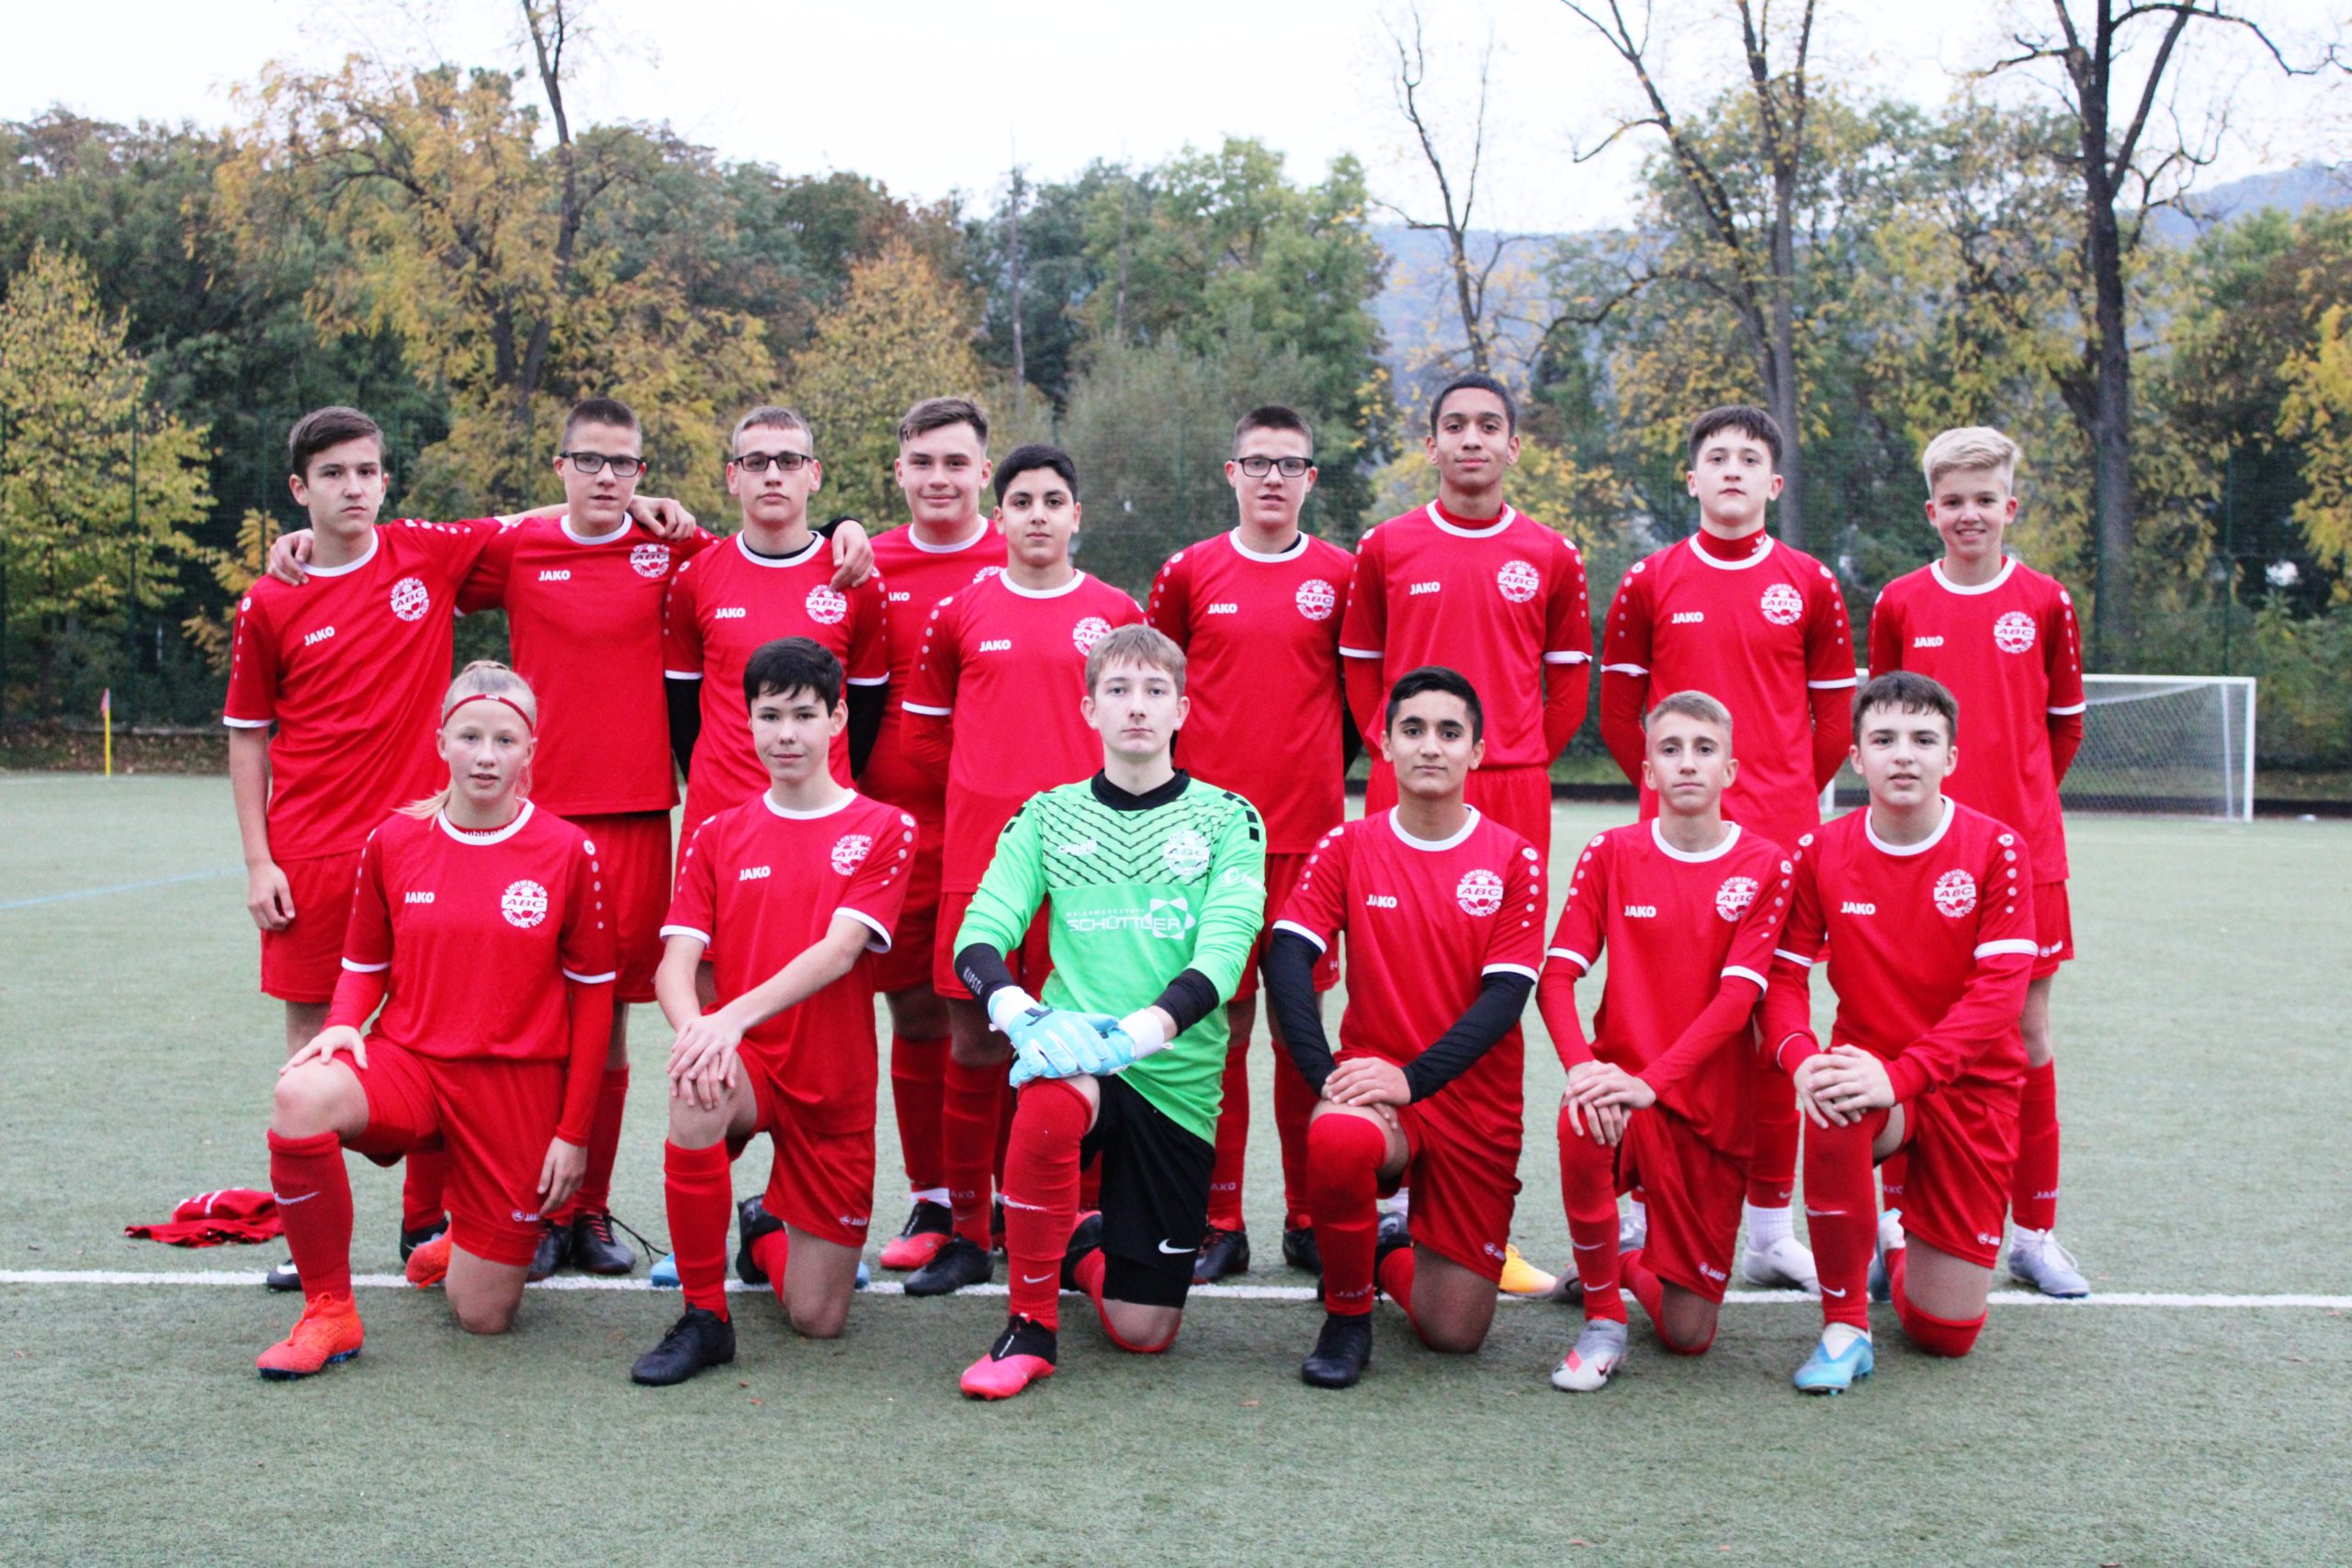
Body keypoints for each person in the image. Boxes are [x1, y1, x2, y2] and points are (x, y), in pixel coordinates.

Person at [262, 400, 873, 1280]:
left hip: (633, 817)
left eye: (621, 463)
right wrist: (307, 548)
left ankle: (584, 1209)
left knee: (607, 1019)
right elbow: (399, 553)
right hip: (526, 821)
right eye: (587, 459)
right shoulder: (518, 547)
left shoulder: (675, 550)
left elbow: (771, 548)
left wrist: (847, 525)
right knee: (476, 1011)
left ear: (642, 472)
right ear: (560, 467)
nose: (604, 476)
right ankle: (447, 1212)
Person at [254, 661, 616, 1377]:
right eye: (470, 736)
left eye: (505, 740)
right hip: (411, 1065)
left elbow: (594, 1001)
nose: (486, 755)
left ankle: (469, 1238)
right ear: (441, 740)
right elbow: (364, 963)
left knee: (483, 1316)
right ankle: (330, 1310)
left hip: (513, 1087)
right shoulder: (392, 840)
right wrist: (344, 1020)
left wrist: (574, 1133)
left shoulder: (568, 850)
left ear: (530, 750)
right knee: (299, 1095)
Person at [949, 624, 1266, 1400]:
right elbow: (979, 933)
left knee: (1142, 1330)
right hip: (1076, 1054)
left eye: (1156, 691)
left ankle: (1082, 1246)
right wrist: (1023, 1015)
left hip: (1173, 1076)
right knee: (1049, 1098)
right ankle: (1030, 1327)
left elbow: (1224, 956)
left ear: (1182, 709)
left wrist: (1136, 1034)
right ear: (1090, 709)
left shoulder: (1230, 817)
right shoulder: (1046, 815)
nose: (1137, 706)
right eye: (1118, 690)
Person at [1597, 404, 1858, 1293]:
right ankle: (1639, 1211)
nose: (1734, 469)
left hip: (1778, 842)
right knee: (1650, 1018)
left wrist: (1777, 797)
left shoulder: (1810, 583)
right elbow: (1619, 716)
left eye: (1750, 458)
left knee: (1772, 1030)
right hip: (1668, 844)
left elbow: (1832, 723)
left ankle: (1769, 1231)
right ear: (1693, 479)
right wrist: (1672, 800)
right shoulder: (1649, 579)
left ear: (1774, 483)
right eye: (1717, 457)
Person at [628, 638, 917, 1385]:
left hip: (833, 1083)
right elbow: (674, 966)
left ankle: (760, 1227)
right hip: (749, 1065)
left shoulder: (884, 827)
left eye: (803, 715)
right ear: (748, 721)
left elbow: (840, 951)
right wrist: (700, 1031)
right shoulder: (718, 833)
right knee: (695, 1089)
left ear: (837, 719)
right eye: (770, 716)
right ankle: (705, 1317)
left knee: (817, 1318)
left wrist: (727, 1018)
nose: (786, 734)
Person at [898, 444, 1146, 1295]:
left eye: (1053, 500)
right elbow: (923, 736)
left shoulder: (1115, 612)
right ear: (998, 515)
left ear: (1077, 515)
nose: (1038, 515)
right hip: (982, 862)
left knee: (1082, 1041)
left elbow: (1142, 733)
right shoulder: (961, 610)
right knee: (972, 1040)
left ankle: (1071, 1226)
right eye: (1023, 501)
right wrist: (991, 792)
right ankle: (969, 1231)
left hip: (1090, 869)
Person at [1265, 666, 1544, 1389]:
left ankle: (1386, 1251)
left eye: (1449, 732)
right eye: (1412, 729)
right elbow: (1287, 953)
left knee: (1453, 1334)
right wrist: (1326, 1075)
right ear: (1385, 744)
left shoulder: (1513, 857)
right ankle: (1346, 1315)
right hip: (1377, 1092)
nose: (1430, 745)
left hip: (1472, 1102)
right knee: (1337, 1134)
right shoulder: (1348, 845)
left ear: (1476, 751)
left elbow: (1505, 998)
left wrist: (1412, 1078)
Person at [1763, 671, 2038, 1393]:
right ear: (1857, 757)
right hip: (1873, 1077)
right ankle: (1845, 1327)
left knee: (1943, 1334)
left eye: (1923, 739)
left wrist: (1902, 1074)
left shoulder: (1997, 849)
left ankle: (1894, 1240)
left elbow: (1998, 998)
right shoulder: (1820, 849)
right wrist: (1801, 1059)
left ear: (1952, 756)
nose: (1904, 754)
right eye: (1884, 739)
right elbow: (1782, 981)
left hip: (1971, 1089)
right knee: (1832, 1098)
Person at [1867, 426, 2089, 1299]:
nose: (1970, 514)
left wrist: (2013, 806)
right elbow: (1886, 723)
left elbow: (2061, 730)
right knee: (1906, 1029)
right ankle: (1895, 1223)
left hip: (2025, 857)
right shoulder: (1899, 603)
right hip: (1918, 856)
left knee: (2027, 1033)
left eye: (1984, 500)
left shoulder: (2045, 602)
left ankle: (2033, 1233)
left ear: (2010, 506)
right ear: (1932, 510)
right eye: (1954, 501)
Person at [1146, 404, 1353, 1282]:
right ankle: (1218, 1218)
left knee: (1299, 1027)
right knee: (1217, 1029)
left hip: (1309, 843)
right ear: (1230, 473)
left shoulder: (1343, 575)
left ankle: (1308, 1216)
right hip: (1208, 844)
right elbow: (1154, 693)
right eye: (1258, 462)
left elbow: (1357, 699)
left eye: (1290, 464)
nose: (1274, 477)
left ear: (1311, 479)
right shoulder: (1189, 572)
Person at [1538, 691, 1792, 1390]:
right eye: (1670, 749)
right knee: (1582, 1115)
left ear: (1729, 769)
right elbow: (1555, 978)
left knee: (1688, 1336)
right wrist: (1584, 1069)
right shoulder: (1612, 853)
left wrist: (1653, 1082)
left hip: (1709, 1112)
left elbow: (1737, 1002)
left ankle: (1619, 1261)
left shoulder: (1767, 864)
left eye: (1704, 750)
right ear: (1647, 771)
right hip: (1624, 1097)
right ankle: (1602, 1320)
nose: (1687, 763)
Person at [862, 398, 1009, 1274]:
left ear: (984, 471)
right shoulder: (865, 563)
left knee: (1008, 1014)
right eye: (923, 462)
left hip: (1006, 831)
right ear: (900, 472)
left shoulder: (1025, 551)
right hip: (897, 831)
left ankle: (1013, 1191)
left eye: (957, 462)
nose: (940, 478)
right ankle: (937, 1194)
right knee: (916, 1010)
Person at [1339, 373, 1589, 866]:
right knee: (1395, 912)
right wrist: (1396, 750)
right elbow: (1361, 669)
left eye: (1488, 426)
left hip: (1512, 781)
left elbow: (1569, 692)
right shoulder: (1384, 546)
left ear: (1512, 448)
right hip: (1406, 776)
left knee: (1506, 915)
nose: (1472, 439)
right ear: (1432, 447)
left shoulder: (1554, 554)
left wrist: (1520, 755)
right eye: (1455, 426)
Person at [665, 406, 890, 838]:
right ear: (733, 477)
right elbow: (682, 708)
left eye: (789, 461)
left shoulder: (856, 580)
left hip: (824, 817)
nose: (772, 475)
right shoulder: (694, 578)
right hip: (721, 815)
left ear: (814, 474)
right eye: (756, 462)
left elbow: (864, 711)